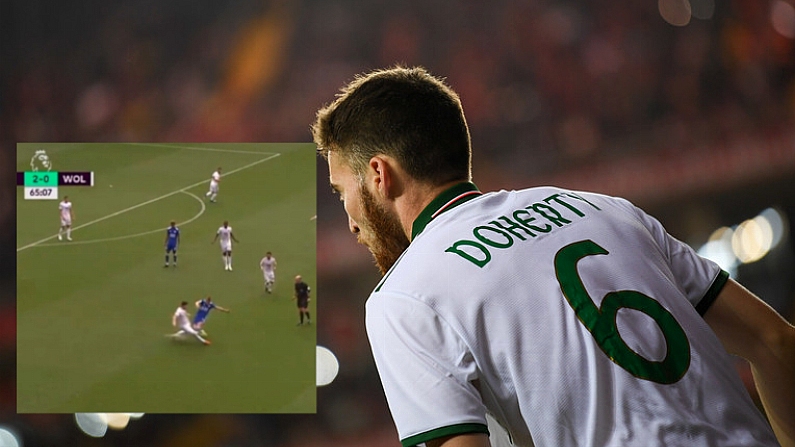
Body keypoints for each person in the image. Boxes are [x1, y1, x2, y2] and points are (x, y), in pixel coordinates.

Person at [312, 66, 795, 447]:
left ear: (379, 174)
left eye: (341, 192)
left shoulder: (403, 296)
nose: (351, 222)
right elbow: (775, 340)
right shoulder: (606, 209)